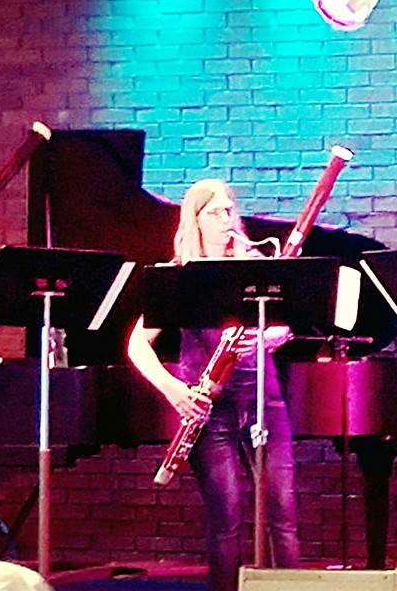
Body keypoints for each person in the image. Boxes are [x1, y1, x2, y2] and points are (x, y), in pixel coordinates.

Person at [126, 179, 299, 591]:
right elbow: (136, 345)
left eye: (230, 211)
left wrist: (275, 334)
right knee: (226, 519)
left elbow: (291, 320)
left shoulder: (257, 268)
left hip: (264, 399)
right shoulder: (181, 277)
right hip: (208, 407)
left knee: (284, 513)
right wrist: (174, 390)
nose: (227, 219)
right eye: (216, 212)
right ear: (196, 220)